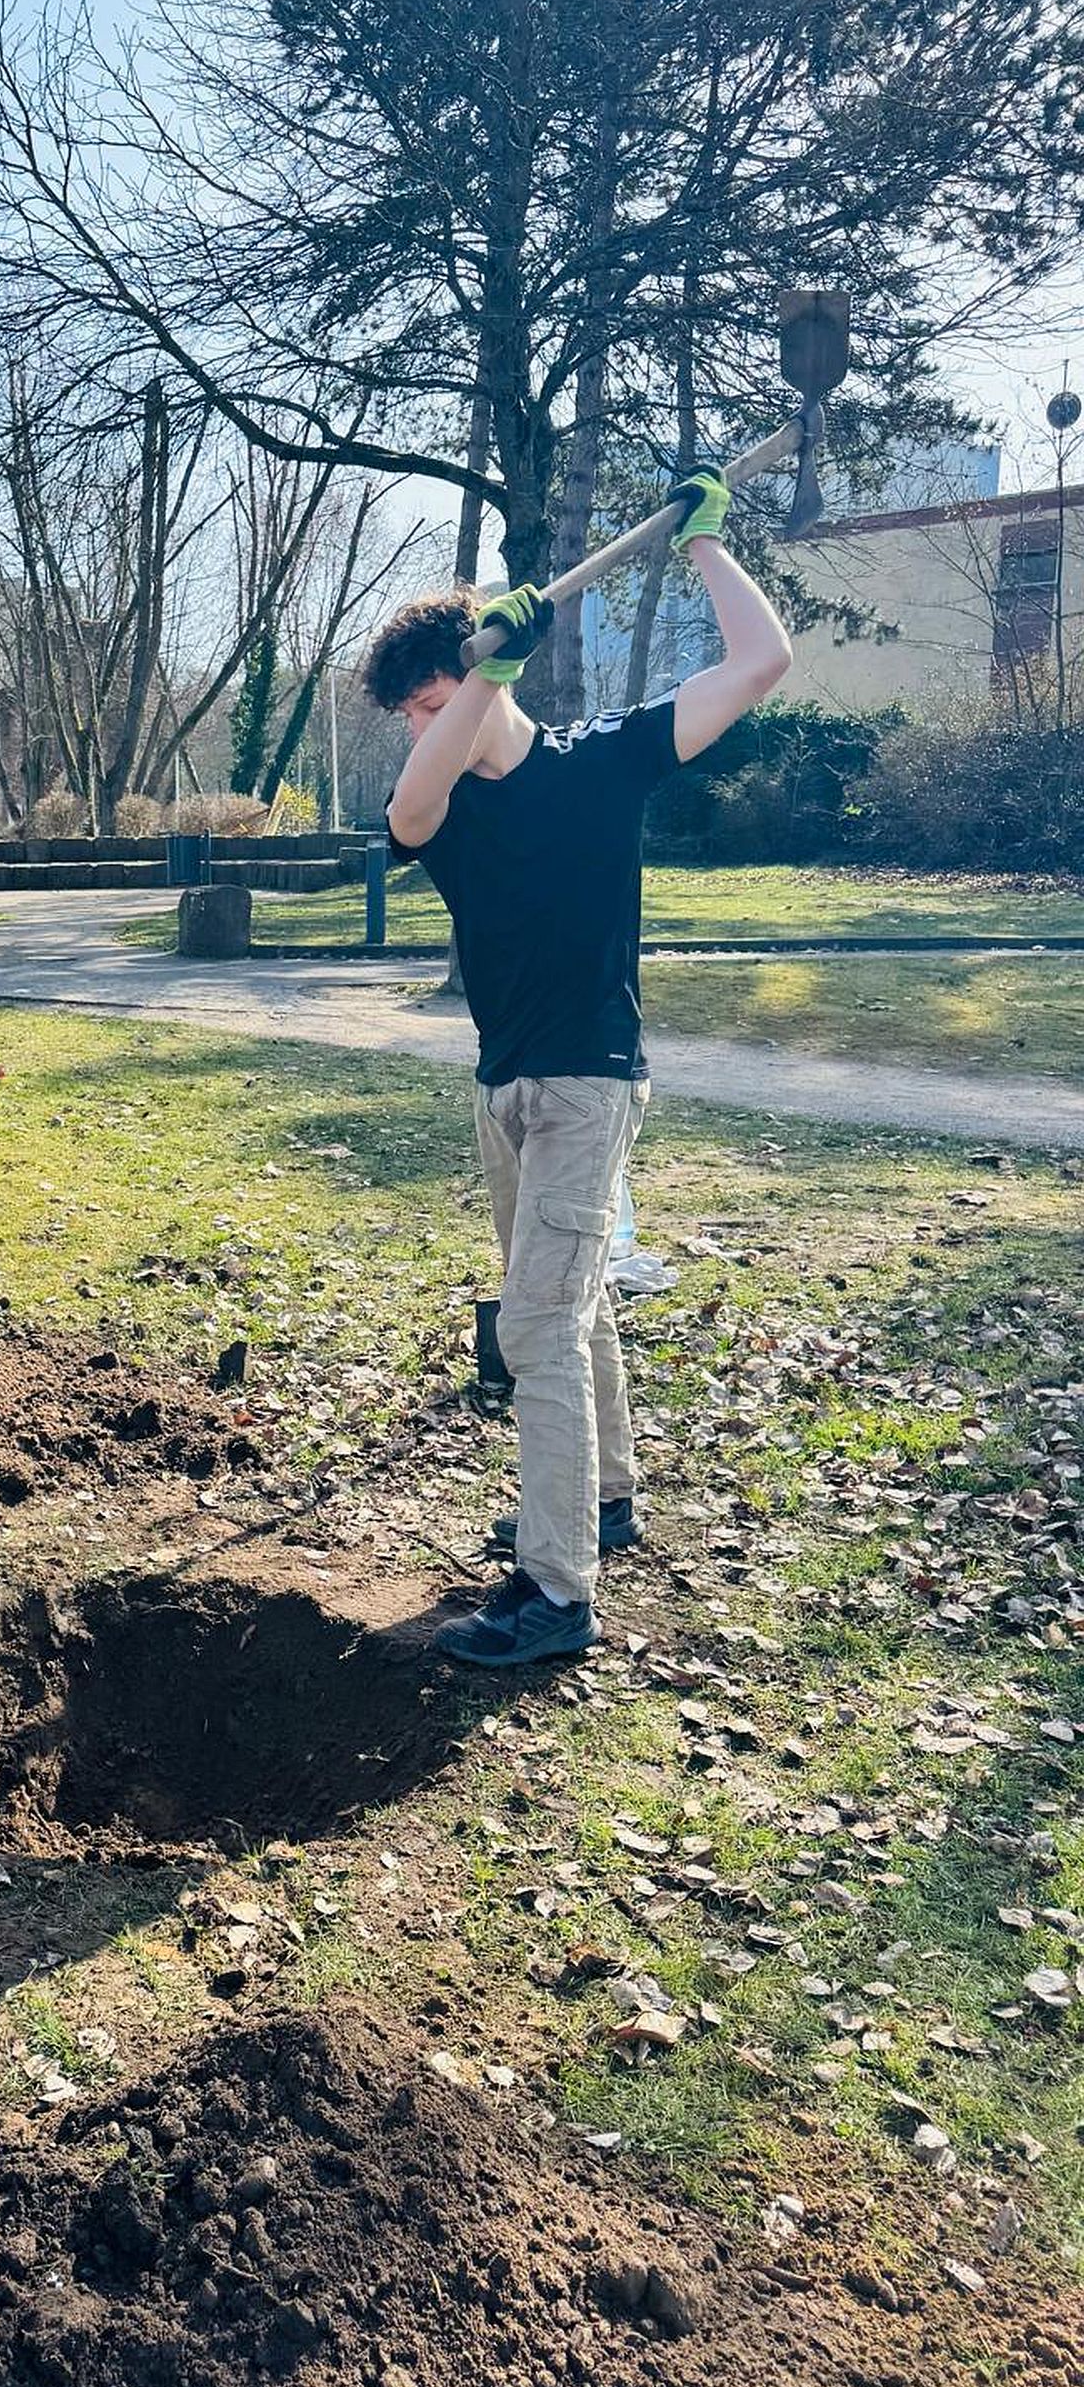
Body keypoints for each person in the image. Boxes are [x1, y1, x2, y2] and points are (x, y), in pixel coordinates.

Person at [371, 467, 790, 1667]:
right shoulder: (442, 806)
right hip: (501, 1087)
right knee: (569, 1300)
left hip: (589, 1082)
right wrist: (481, 673)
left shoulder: (606, 759)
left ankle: (556, 1594)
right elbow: (406, 805)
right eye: (410, 714)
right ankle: (601, 1500)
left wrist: (705, 545)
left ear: (481, 680)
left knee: (538, 1326)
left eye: (429, 700)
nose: (421, 727)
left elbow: (759, 664)